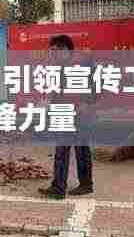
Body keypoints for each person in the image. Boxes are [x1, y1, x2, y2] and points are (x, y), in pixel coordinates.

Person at [38, 35, 94, 199]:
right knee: (64, 150)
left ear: (64, 49)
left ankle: (78, 185)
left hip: (79, 114)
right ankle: (64, 186)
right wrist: (48, 102)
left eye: (54, 50)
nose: (52, 54)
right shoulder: (59, 66)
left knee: (78, 150)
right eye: (51, 51)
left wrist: (87, 102)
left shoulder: (82, 63)